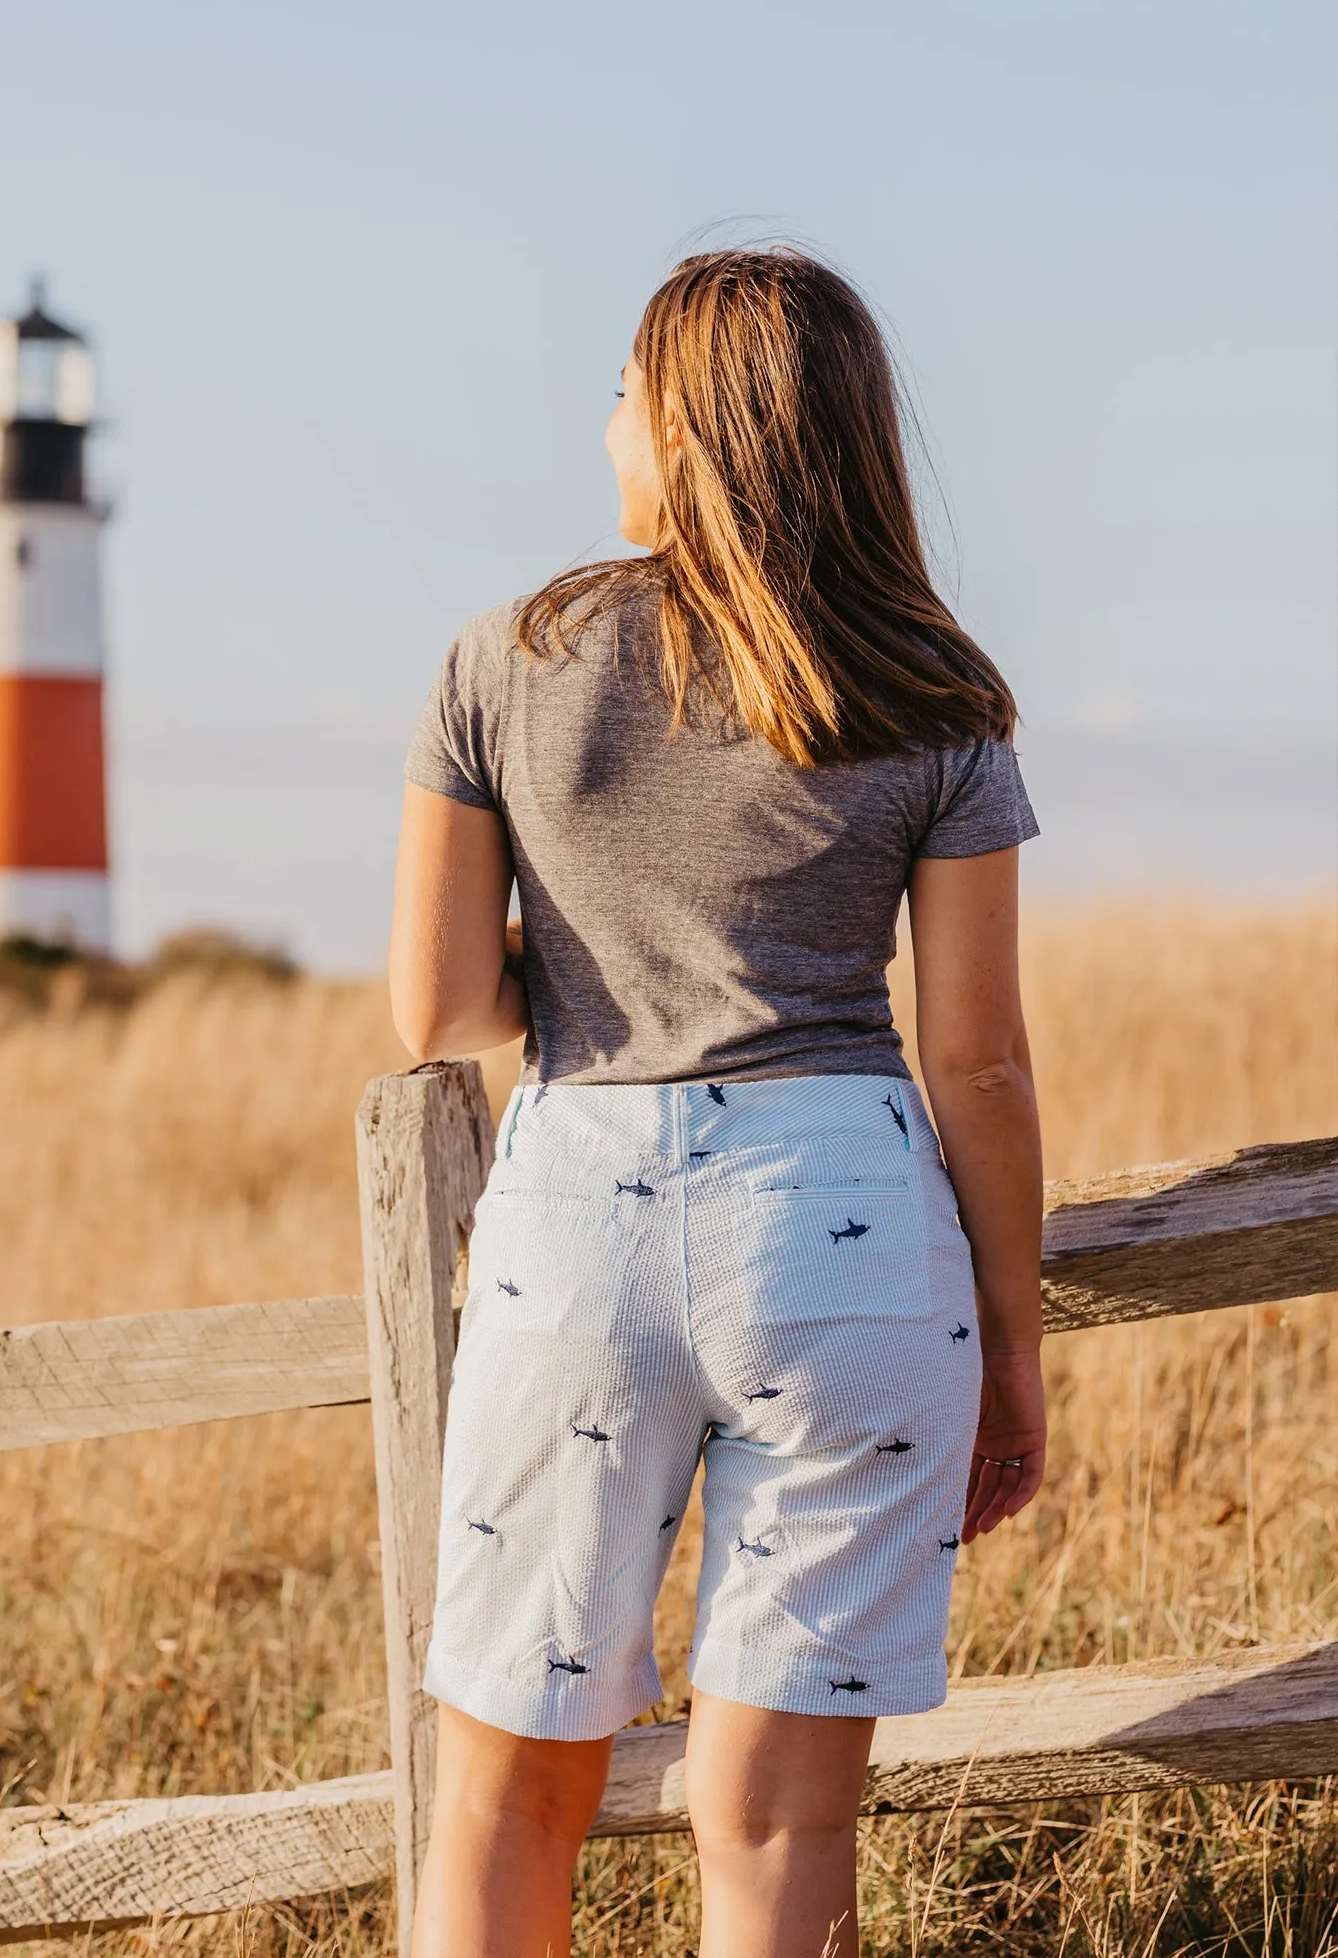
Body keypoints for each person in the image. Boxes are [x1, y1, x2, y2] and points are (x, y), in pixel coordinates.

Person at [389, 247, 1046, 1958]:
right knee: (774, 1818)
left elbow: (442, 1002)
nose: (604, 417)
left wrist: (599, 947)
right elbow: (979, 1056)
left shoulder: (503, 657)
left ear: (682, 431)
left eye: (623, 388)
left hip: (577, 1230)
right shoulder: (934, 684)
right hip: (850, 1235)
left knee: (504, 1795)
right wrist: (1017, 1343)